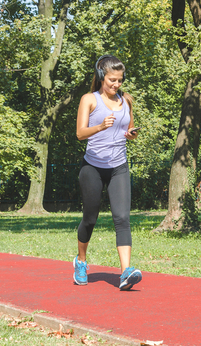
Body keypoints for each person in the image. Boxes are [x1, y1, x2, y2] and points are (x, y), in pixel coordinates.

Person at [73, 55, 142, 290]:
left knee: (122, 219)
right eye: (112, 80)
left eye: (120, 80)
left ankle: (125, 272)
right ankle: (81, 261)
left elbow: (129, 129)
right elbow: (80, 133)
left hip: (118, 167)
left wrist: (131, 134)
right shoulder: (89, 100)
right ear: (102, 76)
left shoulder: (127, 101)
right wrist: (100, 126)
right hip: (92, 167)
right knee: (90, 219)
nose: (116, 85)